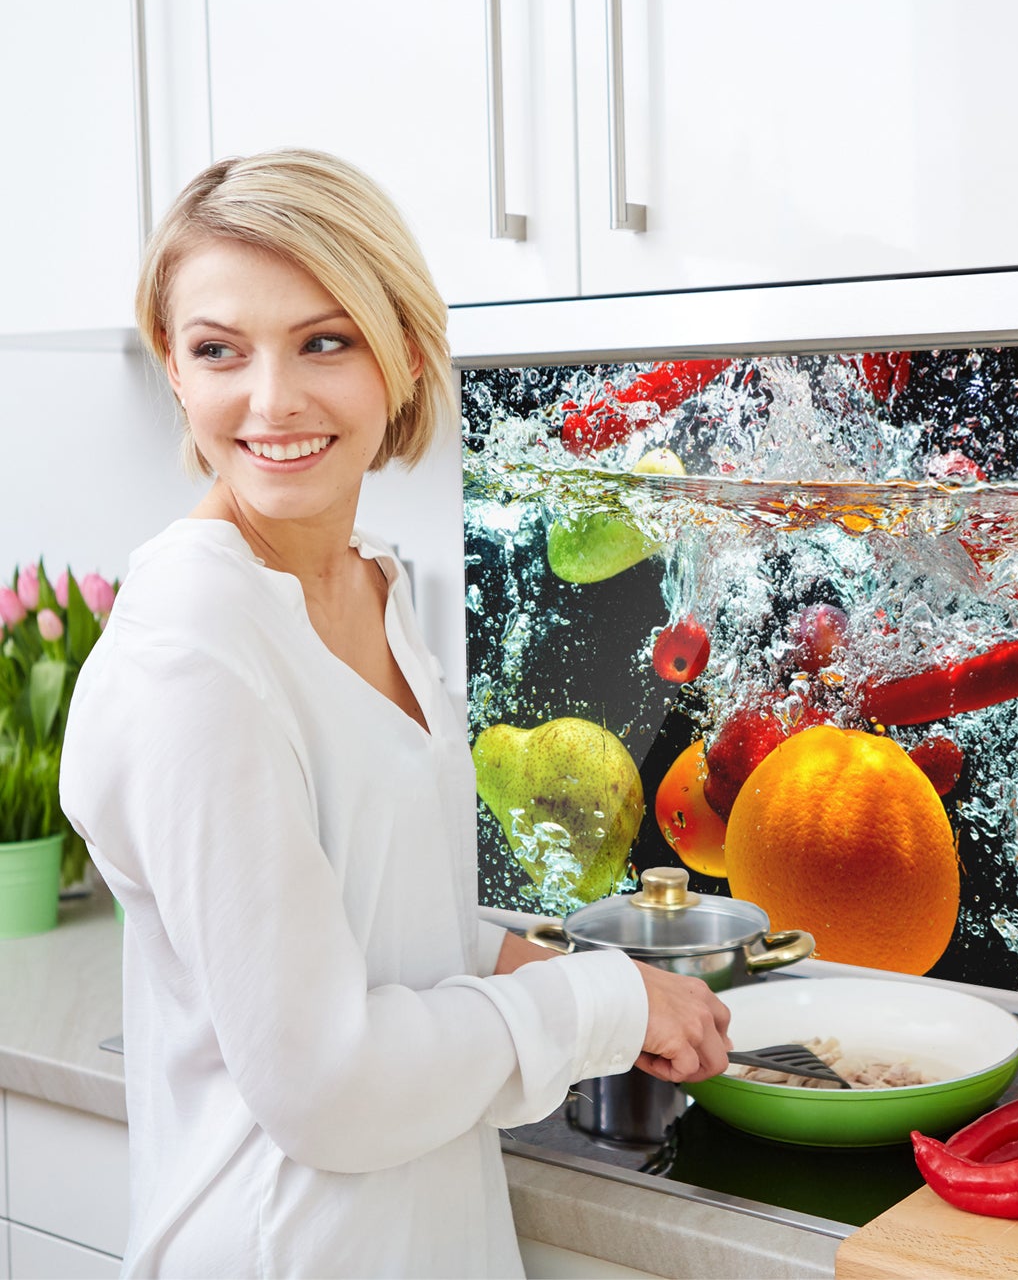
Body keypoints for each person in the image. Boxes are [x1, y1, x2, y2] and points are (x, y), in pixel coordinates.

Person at [60, 149, 732, 1279]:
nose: (270, 400)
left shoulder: (371, 582)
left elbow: (371, 911)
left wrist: (541, 966)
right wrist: (604, 1001)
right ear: (175, 373)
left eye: (324, 341)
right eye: (219, 349)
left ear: (406, 356)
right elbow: (328, 1087)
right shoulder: (196, 653)